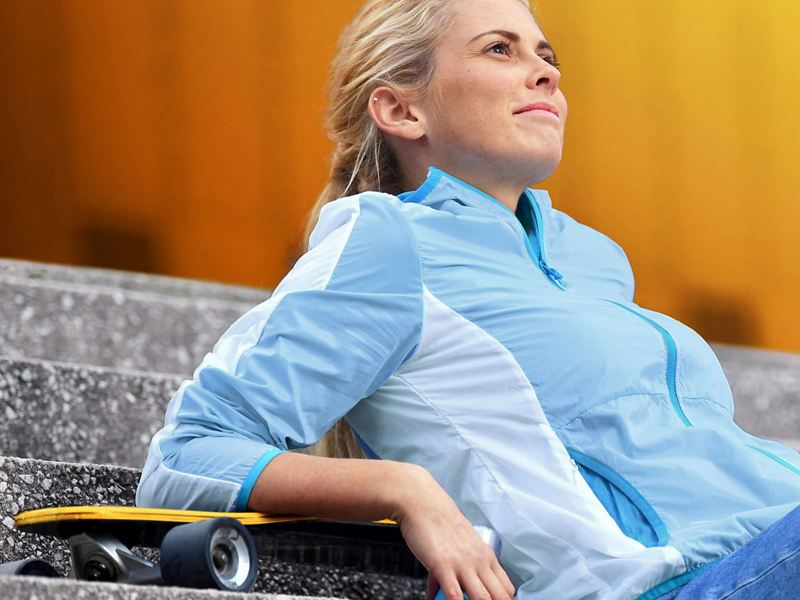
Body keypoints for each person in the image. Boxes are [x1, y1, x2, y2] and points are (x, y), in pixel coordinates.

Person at [136, 0, 800, 598]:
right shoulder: (385, 242)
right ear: (401, 110)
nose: (545, 73)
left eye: (547, 54)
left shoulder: (593, 259)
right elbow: (184, 456)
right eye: (499, 49)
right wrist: (402, 488)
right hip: (679, 583)